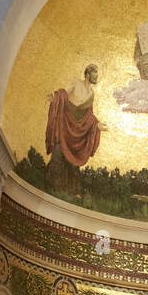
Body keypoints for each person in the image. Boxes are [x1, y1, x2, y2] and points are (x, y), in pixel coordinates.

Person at [45, 64, 108, 197]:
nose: (97, 76)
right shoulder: (76, 83)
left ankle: (72, 193)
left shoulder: (91, 94)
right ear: (88, 74)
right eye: (95, 73)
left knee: (73, 163)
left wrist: (97, 125)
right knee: (58, 157)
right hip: (65, 127)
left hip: (77, 132)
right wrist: (54, 96)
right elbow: (63, 93)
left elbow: (88, 115)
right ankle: (51, 188)